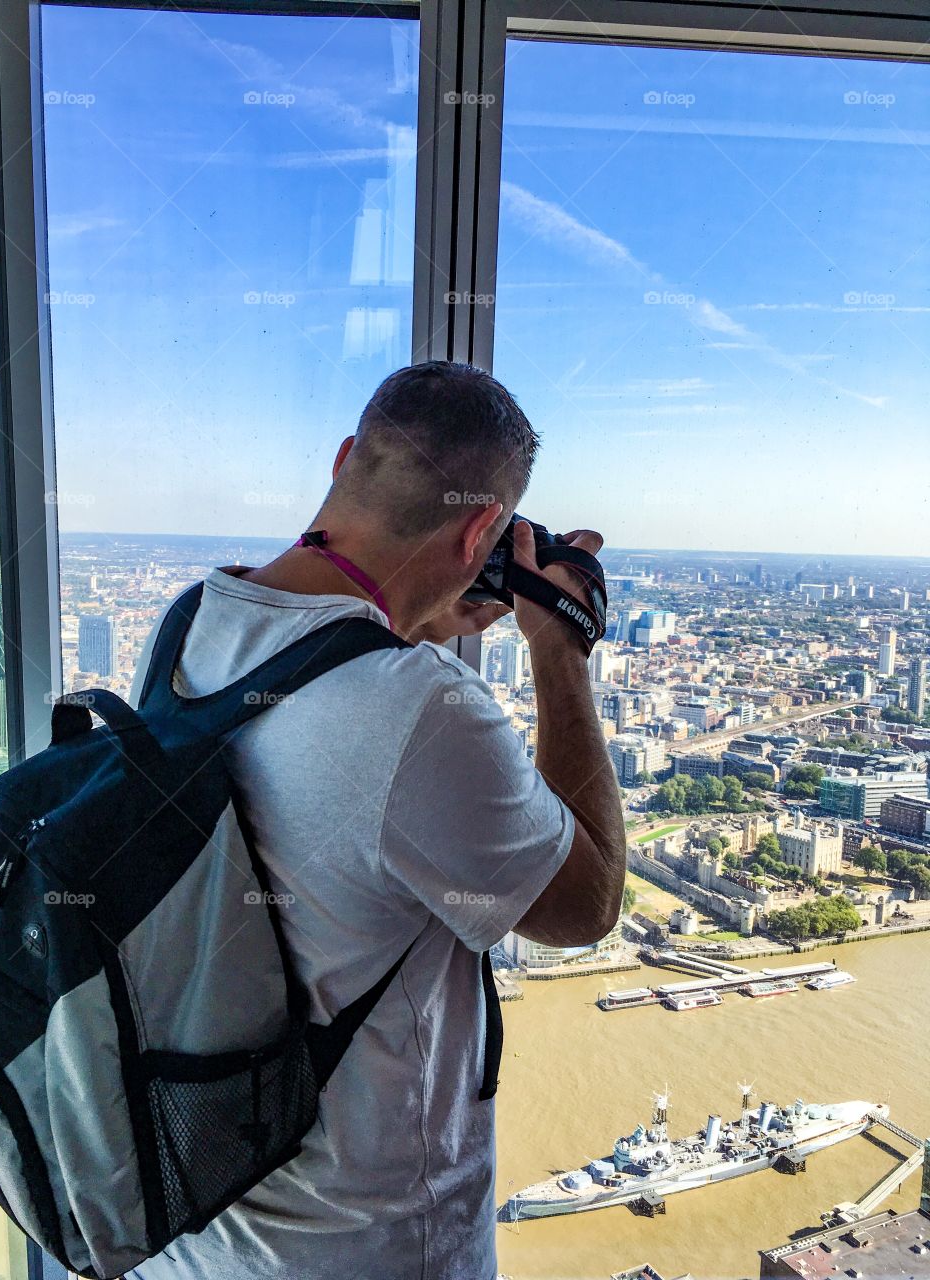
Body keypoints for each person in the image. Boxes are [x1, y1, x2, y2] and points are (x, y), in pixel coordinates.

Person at [127, 361, 625, 1280]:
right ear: (484, 529)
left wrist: (421, 614)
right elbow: (583, 908)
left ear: (346, 458)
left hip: (186, 1229)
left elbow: (314, 716)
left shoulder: (188, 622)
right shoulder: (426, 711)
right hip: (361, 1248)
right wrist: (561, 652)